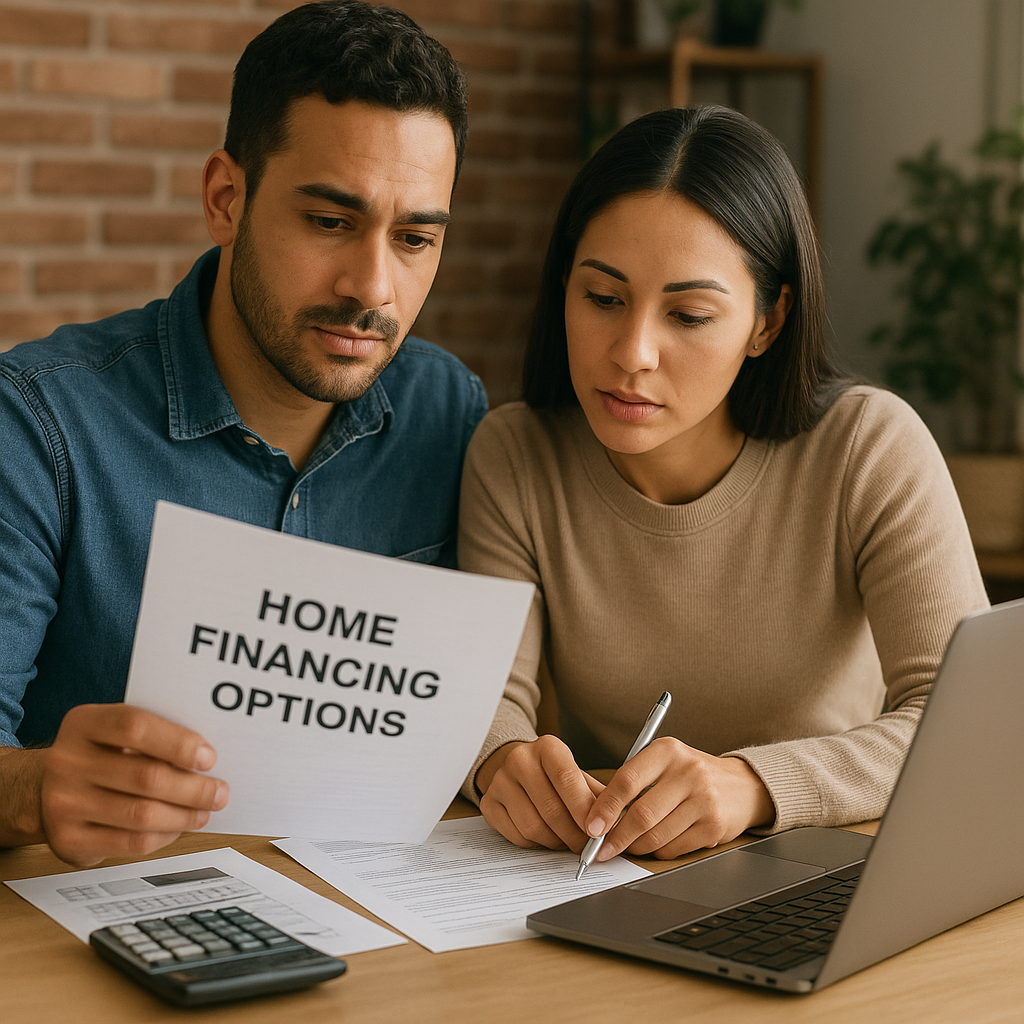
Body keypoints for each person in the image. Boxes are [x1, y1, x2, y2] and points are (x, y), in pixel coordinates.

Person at [0, 0, 486, 867]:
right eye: (330, 222)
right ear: (226, 199)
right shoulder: (38, 424)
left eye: (414, 238)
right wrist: (35, 791)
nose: (371, 286)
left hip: (376, 935)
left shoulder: (451, 413)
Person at [459, 105, 989, 864]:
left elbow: (967, 723)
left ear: (767, 323)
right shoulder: (514, 455)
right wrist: (500, 763)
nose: (633, 352)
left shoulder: (868, 447)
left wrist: (752, 785)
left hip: (826, 866)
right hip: (607, 876)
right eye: (603, 299)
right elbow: (488, 702)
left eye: (690, 314)